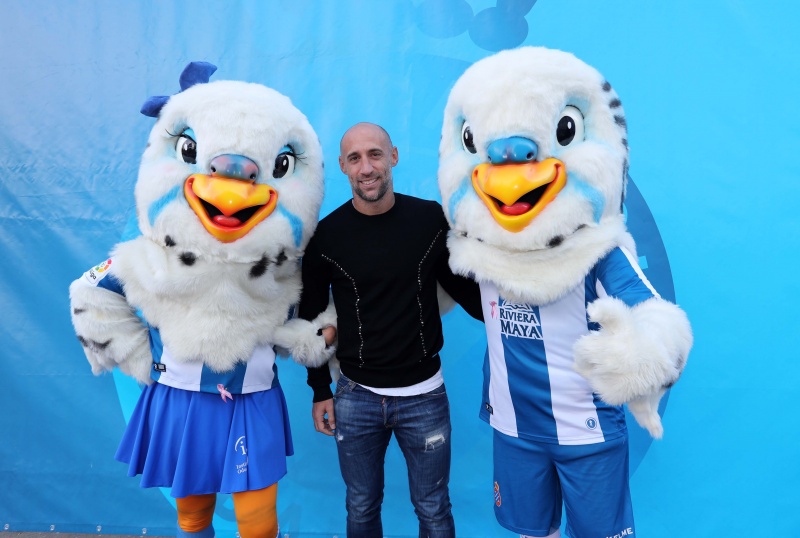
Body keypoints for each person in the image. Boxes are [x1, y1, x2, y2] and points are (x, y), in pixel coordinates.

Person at [298, 122, 481, 538]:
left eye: (375, 154)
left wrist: (517, 306)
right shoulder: (326, 237)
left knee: (434, 509)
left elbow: (467, 291)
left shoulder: (430, 220)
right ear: (343, 166)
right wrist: (319, 390)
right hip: (355, 398)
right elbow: (310, 319)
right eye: (355, 158)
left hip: (425, 398)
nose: (367, 167)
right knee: (361, 506)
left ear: (393, 156)